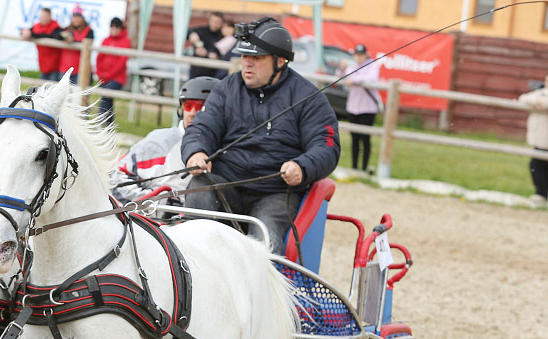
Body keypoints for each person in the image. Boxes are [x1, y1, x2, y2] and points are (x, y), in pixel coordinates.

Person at [181, 17, 340, 254]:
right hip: (227, 183)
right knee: (199, 189)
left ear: (279, 61)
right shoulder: (226, 89)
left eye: (256, 58)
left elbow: (326, 146)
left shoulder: (309, 97)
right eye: (245, 57)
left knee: (266, 242)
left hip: (275, 192)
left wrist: (302, 166)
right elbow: (202, 127)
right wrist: (196, 152)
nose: (247, 64)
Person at [110, 76, 219, 203]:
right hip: (159, 219)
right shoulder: (158, 142)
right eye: (188, 106)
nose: (192, 113)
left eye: (200, 107)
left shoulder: (231, 147)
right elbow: (116, 179)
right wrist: (158, 203)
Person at [339, 43, 381, 173]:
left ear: (366, 55)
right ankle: (354, 167)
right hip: (353, 107)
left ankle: (363, 168)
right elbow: (344, 77)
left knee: (365, 139)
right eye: (357, 55)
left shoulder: (372, 66)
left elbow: (371, 79)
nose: (359, 57)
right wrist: (342, 69)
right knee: (355, 139)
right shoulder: (352, 66)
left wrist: (355, 80)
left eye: (361, 55)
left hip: (367, 108)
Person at [95, 17, 130, 125]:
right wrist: (100, 73)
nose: (114, 29)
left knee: (106, 95)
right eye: (112, 26)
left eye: (116, 27)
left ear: (120, 28)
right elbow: (99, 58)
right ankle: (109, 126)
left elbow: (121, 63)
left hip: (117, 78)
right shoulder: (106, 40)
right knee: (108, 100)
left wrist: (108, 75)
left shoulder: (125, 42)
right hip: (103, 77)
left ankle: (100, 122)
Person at [520, 74, 548, 206]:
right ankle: (541, 194)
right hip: (541, 140)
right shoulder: (541, 93)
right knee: (536, 166)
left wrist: (541, 103)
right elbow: (523, 99)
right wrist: (538, 102)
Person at [20, 7, 61, 82]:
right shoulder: (37, 26)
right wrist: (24, 32)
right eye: (42, 16)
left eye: (45, 16)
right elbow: (27, 32)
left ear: (50, 16)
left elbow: (50, 36)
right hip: (43, 64)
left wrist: (32, 34)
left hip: (55, 65)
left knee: (53, 89)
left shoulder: (55, 26)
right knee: (42, 89)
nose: (43, 18)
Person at [59, 5, 92, 85]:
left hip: (80, 68)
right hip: (65, 67)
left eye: (78, 17)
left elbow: (88, 41)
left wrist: (73, 40)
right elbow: (58, 35)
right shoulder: (67, 29)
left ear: (82, 18)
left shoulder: (89, 31)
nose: (76, 19)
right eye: (74, 16)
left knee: (78, 93)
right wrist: (65, 37)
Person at [185, 11, 223, 79]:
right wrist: (192, 34)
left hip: (213, 74)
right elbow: (186, 32)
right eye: (213, 21)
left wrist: (217, 57)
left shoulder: (222, 36)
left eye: (218, 22)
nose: (215, 24)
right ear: (209, 21)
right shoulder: (201, 31)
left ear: (221, 24)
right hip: (196, 70)